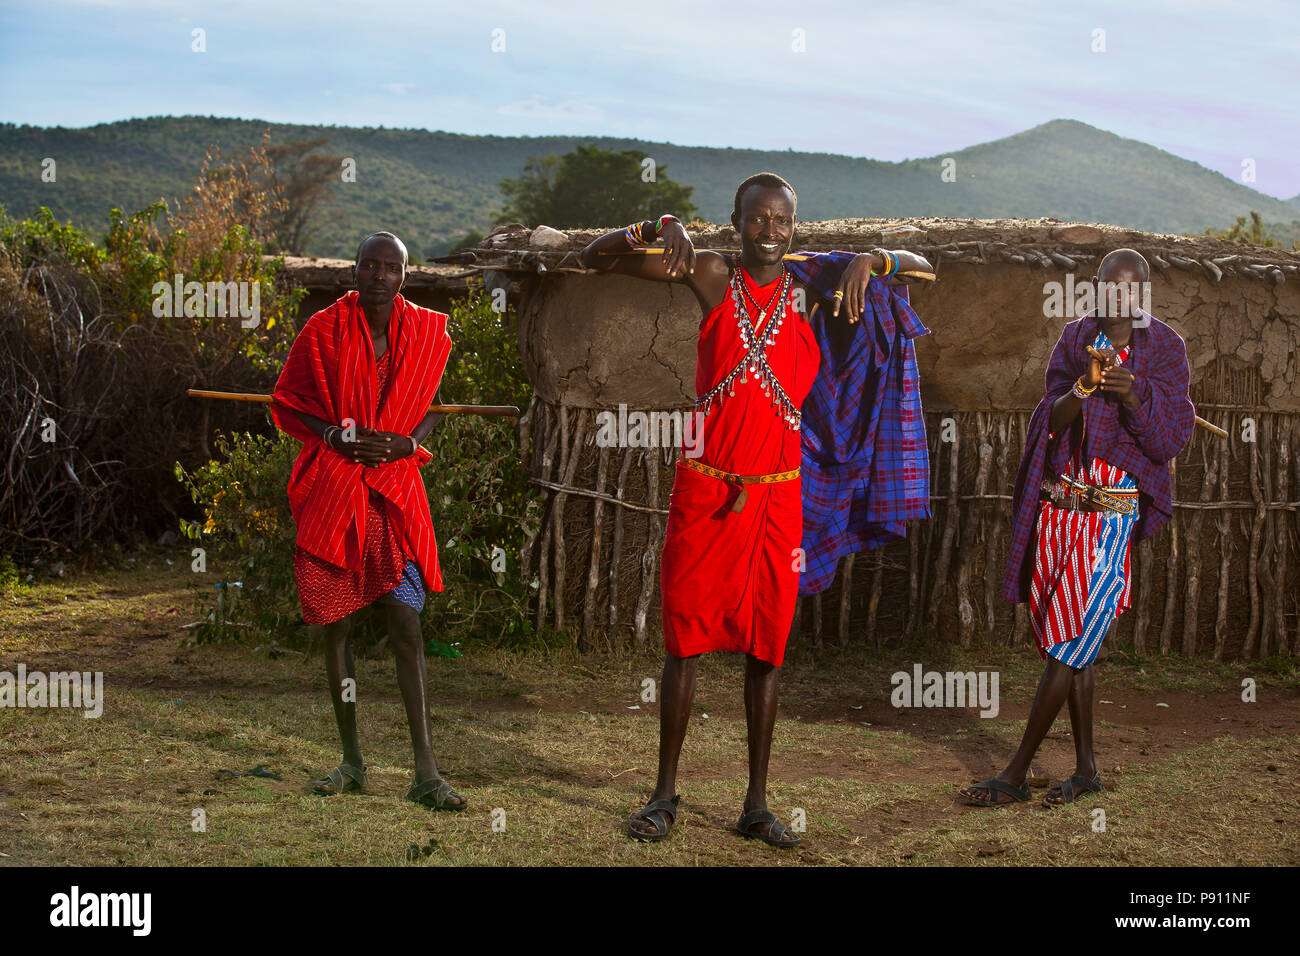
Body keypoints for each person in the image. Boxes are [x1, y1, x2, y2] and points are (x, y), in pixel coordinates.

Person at [580, 173, 932, 846]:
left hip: (778, 494)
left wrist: (871, 260)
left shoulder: (815, 287)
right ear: (736, 222)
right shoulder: (710, 275)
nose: (769, 230)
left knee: (766, 651)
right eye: (756, 218)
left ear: (794, 226)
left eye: (781, 220)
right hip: (708, 490)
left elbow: (924, 265)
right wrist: (657, 225)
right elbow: (593, 257)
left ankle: (757, 805)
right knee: (685, 642)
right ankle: (663, 796)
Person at [961, 248, 1194, 808]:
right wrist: (1083, 389)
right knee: (1076, 636)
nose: (1120, 297)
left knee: (1069, 643)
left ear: (1143, 294)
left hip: (1112, 515)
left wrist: (1134, 394)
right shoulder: (1074, 340)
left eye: (1131, 288)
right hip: (1061, 510)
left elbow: (1167, 440)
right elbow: (1049, 419)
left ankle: (1015, 773)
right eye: (1109, 286)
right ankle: (1087, 768)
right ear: (1094, 289)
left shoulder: (1165, 349)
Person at [270, 231, 466, 811]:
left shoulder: (427, 332)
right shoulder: (323, 330)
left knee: (406, 625)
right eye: (370, 265)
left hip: (395, 491)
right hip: (335, 489)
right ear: (353, 271)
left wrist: (407, 443)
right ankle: (351, 760)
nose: (379, 274)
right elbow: (289, 400)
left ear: (404, 276)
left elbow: (434, 408)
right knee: (336, 624)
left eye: (391, 267)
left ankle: (425, 770)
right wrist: (331, 433)